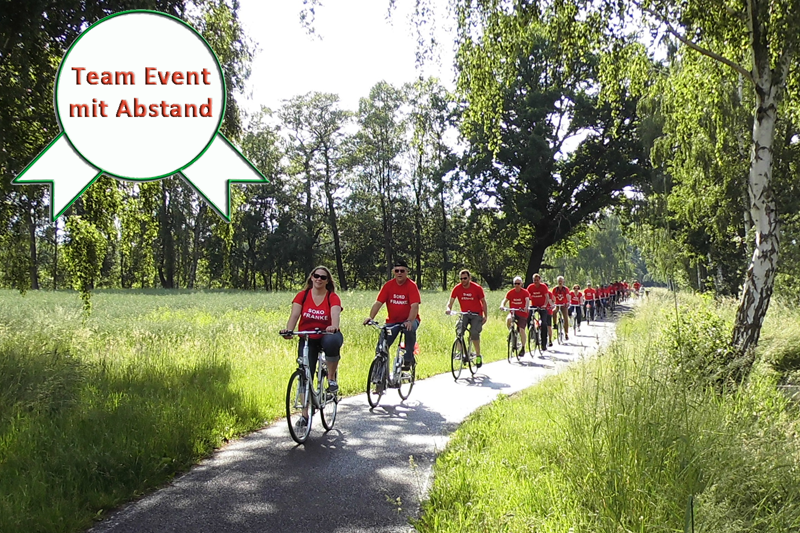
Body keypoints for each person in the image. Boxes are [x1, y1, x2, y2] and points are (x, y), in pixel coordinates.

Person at [279, 266, 344, 428]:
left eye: (323, 277)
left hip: (327, 334)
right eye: (316, 276)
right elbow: (294, 315)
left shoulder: (332, 297)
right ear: (311, 277)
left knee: (332, 343)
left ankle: (330, 378)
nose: (319, 279)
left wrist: (333, 326)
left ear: (327, 281)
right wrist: (289, 330)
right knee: (304, 371)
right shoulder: (302, 295)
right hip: (307, 336)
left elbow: (335, 314)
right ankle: (305, 415)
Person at [364, 260, 421, 370]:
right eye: (397, 271)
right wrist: (371, 317)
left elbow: (414, 306)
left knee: (409, 329)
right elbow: (378, 303)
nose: (399, 273)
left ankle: (408, 358)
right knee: (383, 342)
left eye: (402, 271)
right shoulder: (388, 286)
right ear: (393, 272)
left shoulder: (411, 286)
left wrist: (409, 320)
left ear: (407, 272)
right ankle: (379, 371)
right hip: (392, 321)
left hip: (410, 319)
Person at [446, 269, 488, 367]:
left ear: (469, 278)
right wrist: (448, 309)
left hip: (476, 314)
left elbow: (483, 302)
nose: (463, 280)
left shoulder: (477, 288)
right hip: (464, 313)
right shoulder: (457, 288)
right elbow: (450, 301)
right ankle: (462, 353)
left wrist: (485, 316)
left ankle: (478, 355)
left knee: (474, 332)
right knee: (459, 330)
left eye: (465, 278)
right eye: (461, 279)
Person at [501, 276, 530, 356]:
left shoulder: (525, 292)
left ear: (521, 284)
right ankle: (512, 333)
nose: (517, 285)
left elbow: (527, 300)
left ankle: (523, 347)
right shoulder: (511, 292)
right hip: (513, 312)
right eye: (515, 284)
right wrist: (502, 305)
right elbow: (505, 300)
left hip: (522, 313)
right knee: (508, 319)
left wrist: (526, 307)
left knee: (521, 330)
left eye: (518, 283)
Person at [526, 273, 551, 350]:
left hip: (542, 306)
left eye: (537, 280)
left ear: (540, 280)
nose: (536, 282)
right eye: (534, 280)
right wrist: (526, 305)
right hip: (534, 305)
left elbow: (547, 297)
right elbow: (526, 296)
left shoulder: (543, 287)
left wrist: (545, 305)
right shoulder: (530, 287)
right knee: (527, 316)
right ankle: (532, 330)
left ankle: (544, 343)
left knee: (544, 323)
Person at [552, 275, 571, 341]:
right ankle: (554, 324)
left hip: (564, 305)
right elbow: (553, 297)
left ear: (563, 281)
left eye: (561, 281)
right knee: (554, 312)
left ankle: (566, 333)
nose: (560, 282)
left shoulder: (565, 289)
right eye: (559, 281)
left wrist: (568, 302)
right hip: (557, 304)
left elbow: (568, 296)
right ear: (557, 282)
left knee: (565, 318)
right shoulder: (555, 289)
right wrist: (553, 302)